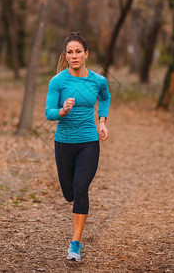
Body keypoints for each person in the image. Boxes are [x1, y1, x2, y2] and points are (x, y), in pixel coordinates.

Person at [45, 32, 111, 261]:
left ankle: (75, 243)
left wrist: (102, 121)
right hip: (63, 143)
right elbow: (49, 112)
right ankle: (74, 203)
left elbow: (105, 97)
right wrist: (62, 111)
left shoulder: (98, 81)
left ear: (86, 54)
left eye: (78, 51)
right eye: (70, 52)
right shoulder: (58, 81)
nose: (74, 56)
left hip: (89, 143)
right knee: (69, 192)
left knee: (81, 189)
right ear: (66, 55)